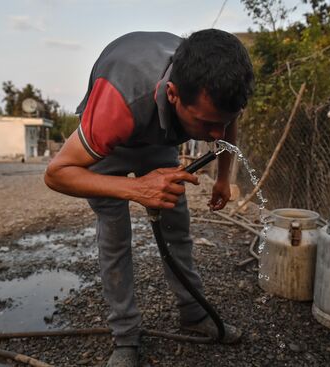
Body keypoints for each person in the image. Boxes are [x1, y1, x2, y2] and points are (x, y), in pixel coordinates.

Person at [45, 29, 254, 367]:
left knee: (177, 229)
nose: (216, 135)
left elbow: (226, 126)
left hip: (160, 138)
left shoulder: (217, 89)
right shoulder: (117, 106)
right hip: (114, 143)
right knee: (115, 238)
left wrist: (224, 179)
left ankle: (193, 314)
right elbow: (57, 173)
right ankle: (125, 336)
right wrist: (137, 189)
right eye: (206, 123)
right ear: (172, 94)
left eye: (223, 122)